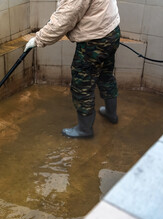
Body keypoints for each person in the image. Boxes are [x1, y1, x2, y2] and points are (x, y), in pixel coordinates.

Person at [24, 0, 120, 138]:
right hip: (111, 30)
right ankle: (111, 114)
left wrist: (38, 39)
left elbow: (65, 18)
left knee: (82, 84)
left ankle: (84, 129)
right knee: (106, 74)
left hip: (94, 40)